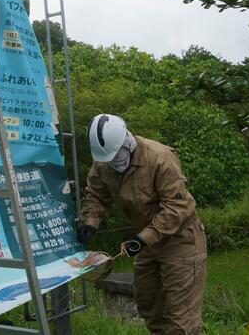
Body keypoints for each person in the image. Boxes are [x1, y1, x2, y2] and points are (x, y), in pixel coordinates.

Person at [77, 113, 207, 334]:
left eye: (115, 156)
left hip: (180, 242)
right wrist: (90, 222)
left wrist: (144, 239)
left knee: (180, 318)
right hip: (146, 243)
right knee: (149, 305)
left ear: (126, 142)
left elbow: (178, 207)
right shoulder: (103, 162)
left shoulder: (159, 158)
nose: (111, 162)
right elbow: (96, 194)